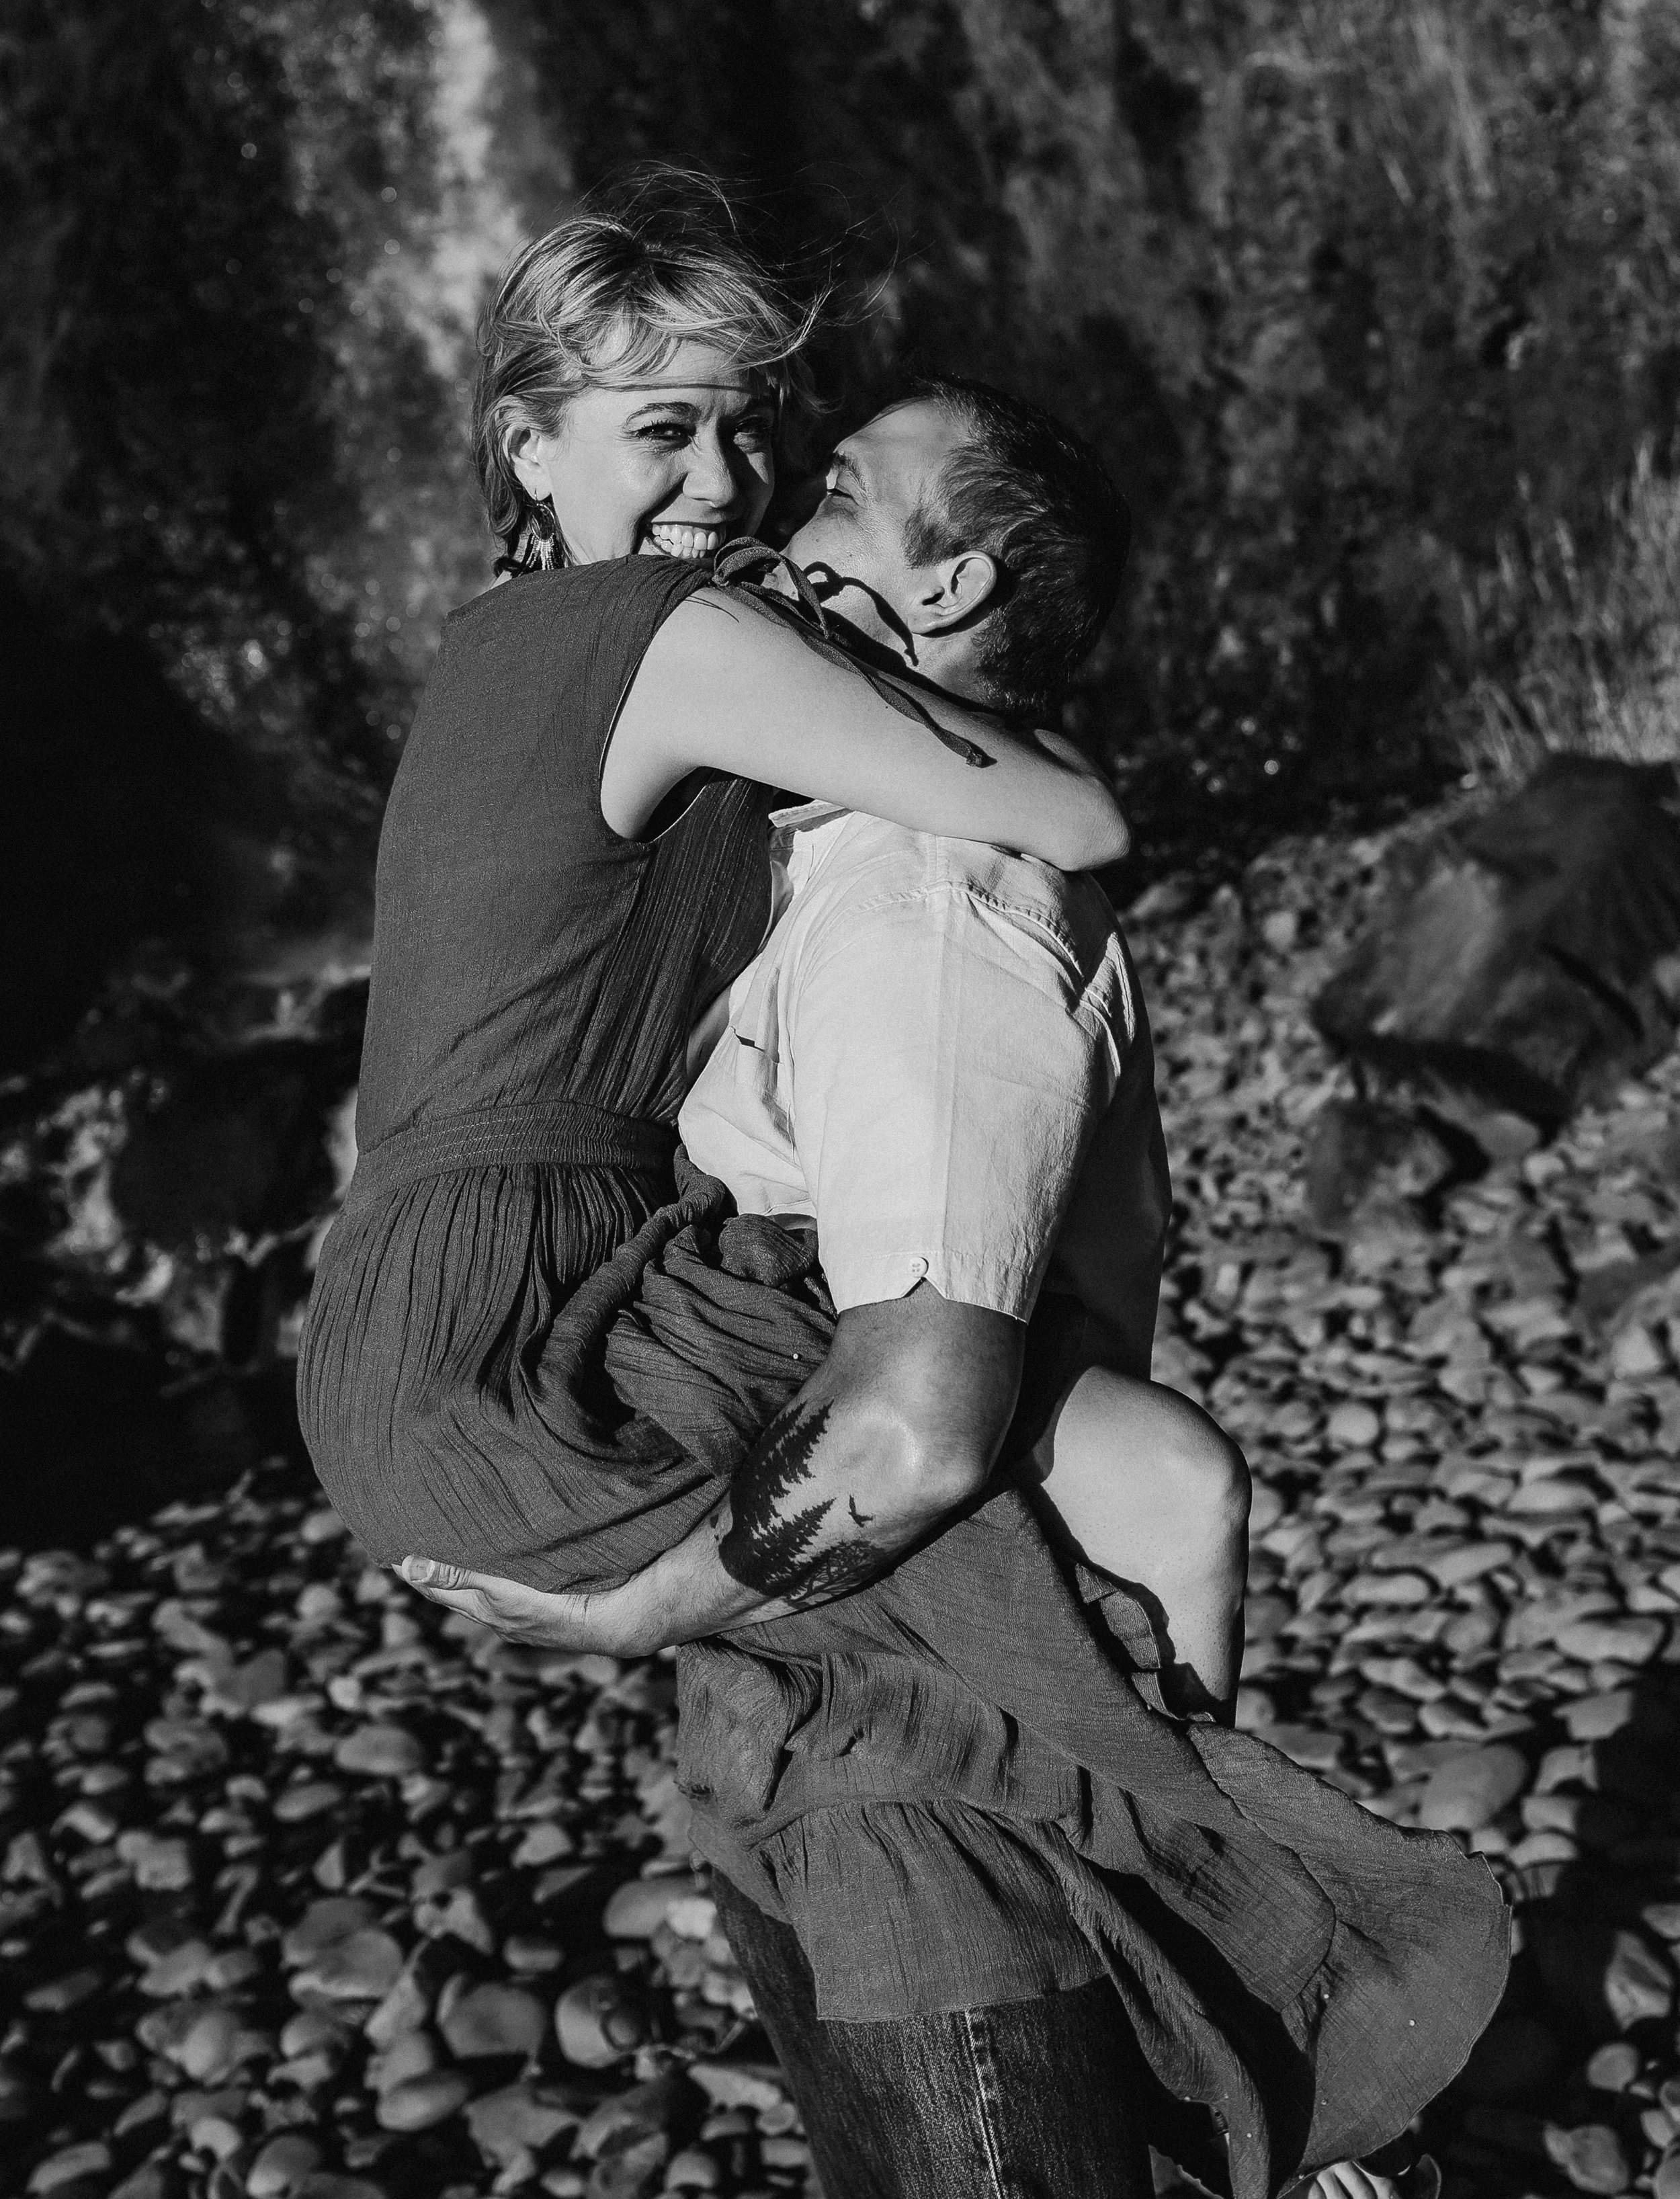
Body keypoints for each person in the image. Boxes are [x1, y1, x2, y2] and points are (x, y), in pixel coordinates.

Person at [402, 377, 1508, 2199]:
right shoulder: (831, 834)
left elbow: (921, 1415)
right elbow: (1119, 1310)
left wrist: (634, 1603)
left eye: (832, 493)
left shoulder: (918, 894)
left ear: (954, 583)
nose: (768, 512)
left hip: (936, 1793)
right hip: (859, 1715)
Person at [296, 172, 1134, 1598]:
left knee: (1077, 1480)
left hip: (406, 1322)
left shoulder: (503, 638)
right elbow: (1077, 816)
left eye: (748, 428)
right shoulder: (660, 627)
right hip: (506, 1343)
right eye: (661, 432)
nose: (724, 482)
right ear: (531, 445)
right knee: (1116, 1485)